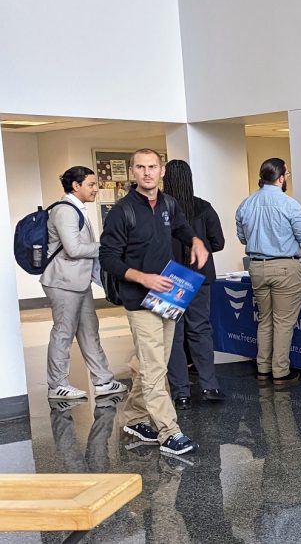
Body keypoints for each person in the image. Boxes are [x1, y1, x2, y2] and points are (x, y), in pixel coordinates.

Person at [99, 148, 210, 456]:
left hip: (166, 296)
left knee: (152, 363)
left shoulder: (168, 204)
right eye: (140, 167)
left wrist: (196, 241)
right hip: (139, 298)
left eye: (152, 167)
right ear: (133, 172)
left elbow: (182, 227)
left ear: (162, 171)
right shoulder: (122, 211)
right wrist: (142, 278)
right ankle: (169, 431)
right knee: (154, 367)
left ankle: (134, 417)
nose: (147, 172)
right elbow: (107, 258)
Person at [41, 166, 128, 401]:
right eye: (91, 184)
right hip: (63, 282)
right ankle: (57, 384)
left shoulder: (76, 209)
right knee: (63, 332)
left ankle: (103, 381)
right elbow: (74, 248)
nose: (96, 189)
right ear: (76, 186)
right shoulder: (65, 211)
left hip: (78, 281)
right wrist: (106, 247)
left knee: (90, 330)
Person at [235, 158, 301, 385]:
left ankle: (263, 368)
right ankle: (280, 371)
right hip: (284, 267)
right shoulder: (289, 204)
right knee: (283, 322)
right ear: (280, 178)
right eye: (287, 174)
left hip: (256, 267)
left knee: (265, 320)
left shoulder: (246, 203)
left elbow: (242, 236)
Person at [163, 160, 227, 410]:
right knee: (200, 330)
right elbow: (218, 242)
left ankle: (180, 392)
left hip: (168, 278)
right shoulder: (204, 207)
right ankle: (209, 385)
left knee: (174, 335)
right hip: (199, 277)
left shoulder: (160, 208)